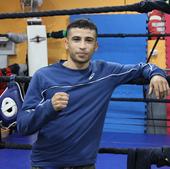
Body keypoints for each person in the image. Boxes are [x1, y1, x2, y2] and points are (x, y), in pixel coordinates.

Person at [17, 18, 170, 169]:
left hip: (85, 165)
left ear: (96, 46)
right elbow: (23, 126)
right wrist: (49, 107)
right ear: (66, 43)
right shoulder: (43, 76)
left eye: (88, 40)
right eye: (76, 39)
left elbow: (142, 67)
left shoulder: (105, 72)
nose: (82, 46)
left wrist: (156, 74)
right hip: (46, 164)